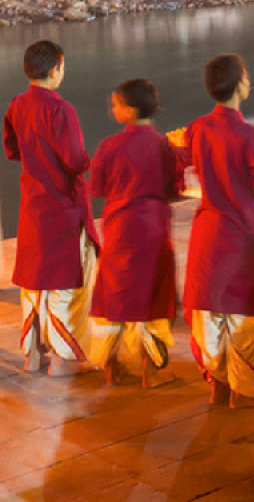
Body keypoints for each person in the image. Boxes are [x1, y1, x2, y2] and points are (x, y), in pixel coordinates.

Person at [185, 54, 254, 407]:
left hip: (208, 230)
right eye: (247, 75)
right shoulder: (249, 134)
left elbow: (185, 159)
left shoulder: (197, 127)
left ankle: (219, 382)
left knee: (211, 312)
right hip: (241, 233)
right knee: (247, 316)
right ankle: (247, 390)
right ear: (240, 85)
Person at [6, 40, 95, 376]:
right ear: (56, 68)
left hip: (32, 203)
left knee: (34, 281)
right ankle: (63, 360)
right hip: (62, 204)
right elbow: (74, 160)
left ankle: (32, 355)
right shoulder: (60, 109)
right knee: (63, 282)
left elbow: (13, 149)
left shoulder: (17, 105)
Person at [88, 79, 182, 387]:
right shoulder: (163, 146)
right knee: (153, 297)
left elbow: (98, 188)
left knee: (113, 297)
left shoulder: (108, 147)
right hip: (154, 231)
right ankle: (151, 369)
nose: (112, 109)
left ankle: (111, 366)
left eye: (115, 104)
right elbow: (175, 188)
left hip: (119, 231)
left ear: (128, 111)